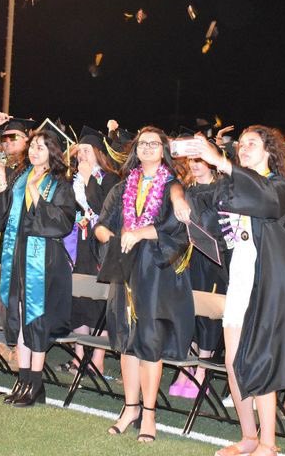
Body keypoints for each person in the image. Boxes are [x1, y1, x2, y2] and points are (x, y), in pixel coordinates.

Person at [189, 127, 285, 456]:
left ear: (269, 151)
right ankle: (249, 437)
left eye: (252, 143)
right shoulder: (231, 183)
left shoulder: (281, 184)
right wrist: (184, 200)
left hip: (269, 279)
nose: (244, 148)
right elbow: (206, 208)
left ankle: (268, 443)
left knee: (260, 359)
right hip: (239, 276)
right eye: (241, 144)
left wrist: (220, 161)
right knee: (235, 362)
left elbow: (264, 199)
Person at [95, 126, 193, 442]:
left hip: (155, 274)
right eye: (142, 143)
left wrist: (139, 233)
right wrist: (109, 237)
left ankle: (149, 414)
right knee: (126, 341)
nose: (147, 147)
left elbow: (176, 229)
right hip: (125, 270)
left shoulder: (172, 187)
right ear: (135, 150)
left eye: (154, 143)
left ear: (164, 149)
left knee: (150, 342)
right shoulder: (122, 188)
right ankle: (130, 408)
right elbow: (102, 224)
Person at [0, 128, 76, 407]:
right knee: (21, 316)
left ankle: (36, 383)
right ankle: (23, 378)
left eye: (41, 147)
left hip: (45, 261)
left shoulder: (60, 183)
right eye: (33, 146)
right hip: (17, 257)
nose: (35, 151)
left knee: (37, 320)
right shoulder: (19, 178)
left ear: (52, 153)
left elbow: (62, 223)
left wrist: (37, 195)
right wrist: (2, 183)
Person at [65, 126, 120, 378]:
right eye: (79, 152)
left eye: (87, 151)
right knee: (79, 300)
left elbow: (101, 208)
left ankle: (97, 359)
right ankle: (78, 357)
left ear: (99, 153)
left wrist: (88, 180)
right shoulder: (72, 179)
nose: (82, 156)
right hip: (79, 246)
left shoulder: (109, 180)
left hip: (100, 248)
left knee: (98, 301)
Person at [168, 152, 224, 400]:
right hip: (188, 259)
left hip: (213, 260)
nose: (195, 165)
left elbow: (214, 225)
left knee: (208, 314)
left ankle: (203, 369)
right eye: (192, 161)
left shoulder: (222, 190)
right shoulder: (185, 189)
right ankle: (187, 367)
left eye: (200, 160)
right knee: (187, 311)